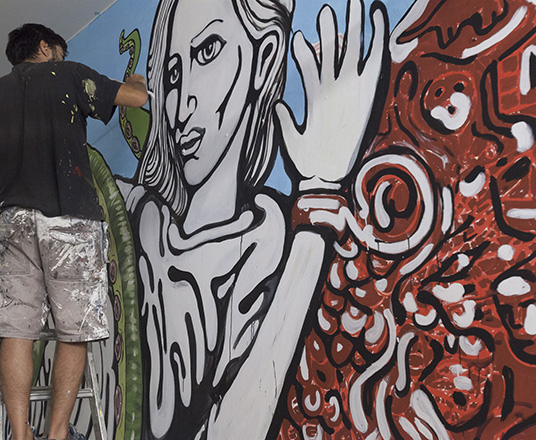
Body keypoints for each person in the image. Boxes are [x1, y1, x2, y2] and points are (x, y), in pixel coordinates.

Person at [116, 0, 386, 438]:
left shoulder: (268, 242)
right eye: (171, 75)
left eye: (207, 53)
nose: (181, 105)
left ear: (264, 58)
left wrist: (318, 199)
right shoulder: (140, 217)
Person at [0, 23, 148, 440]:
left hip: (13, 223)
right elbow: (135, 99)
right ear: (46, 48)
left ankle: (20, 432)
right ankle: (59, 432)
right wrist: (136, 80)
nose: (62, 59)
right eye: (60, 52)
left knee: (15, 330)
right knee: (75, 328)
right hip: (70, 221)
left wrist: (0, 209)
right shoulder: (65, 74)